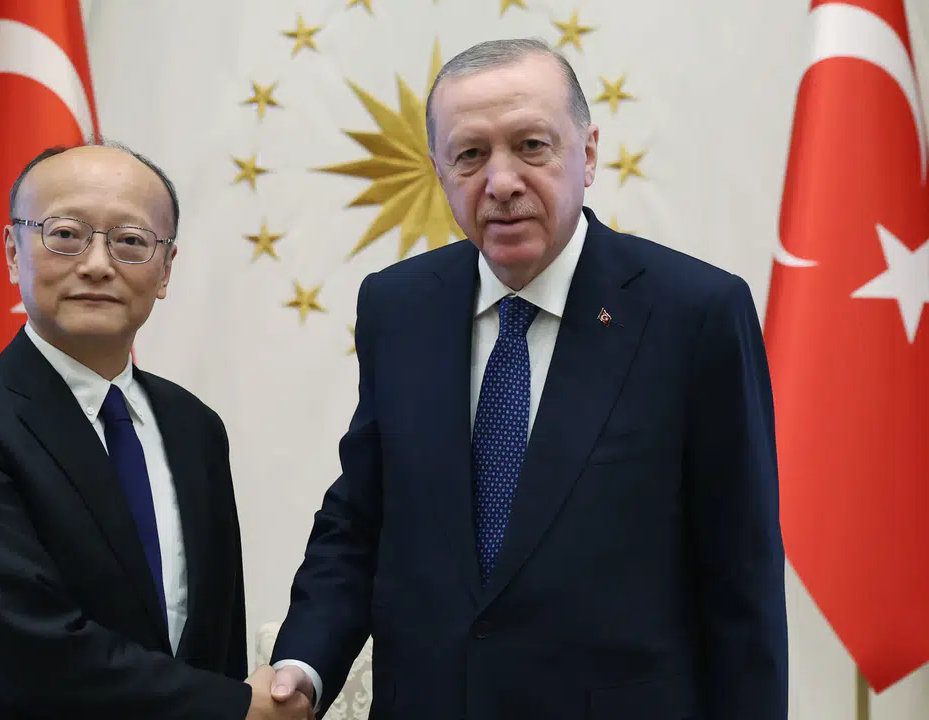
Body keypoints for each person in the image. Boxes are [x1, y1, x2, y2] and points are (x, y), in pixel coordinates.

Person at [267, 38, 788, 719]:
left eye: (532, 146)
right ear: (440, 171)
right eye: (470, 155)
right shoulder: (397, 306)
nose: (502, 182)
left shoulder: (695, 313)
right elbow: (363, 519)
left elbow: (740, 577)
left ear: (588, 154)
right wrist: (303, 665)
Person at [0, 142, 312, 720]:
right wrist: (237, 707)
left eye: (130, 241)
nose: (96, 264)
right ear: (13, 252)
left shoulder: (194, 427)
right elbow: (26, 651)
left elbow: (213, 637)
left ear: (165, 269)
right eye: (66, 234)